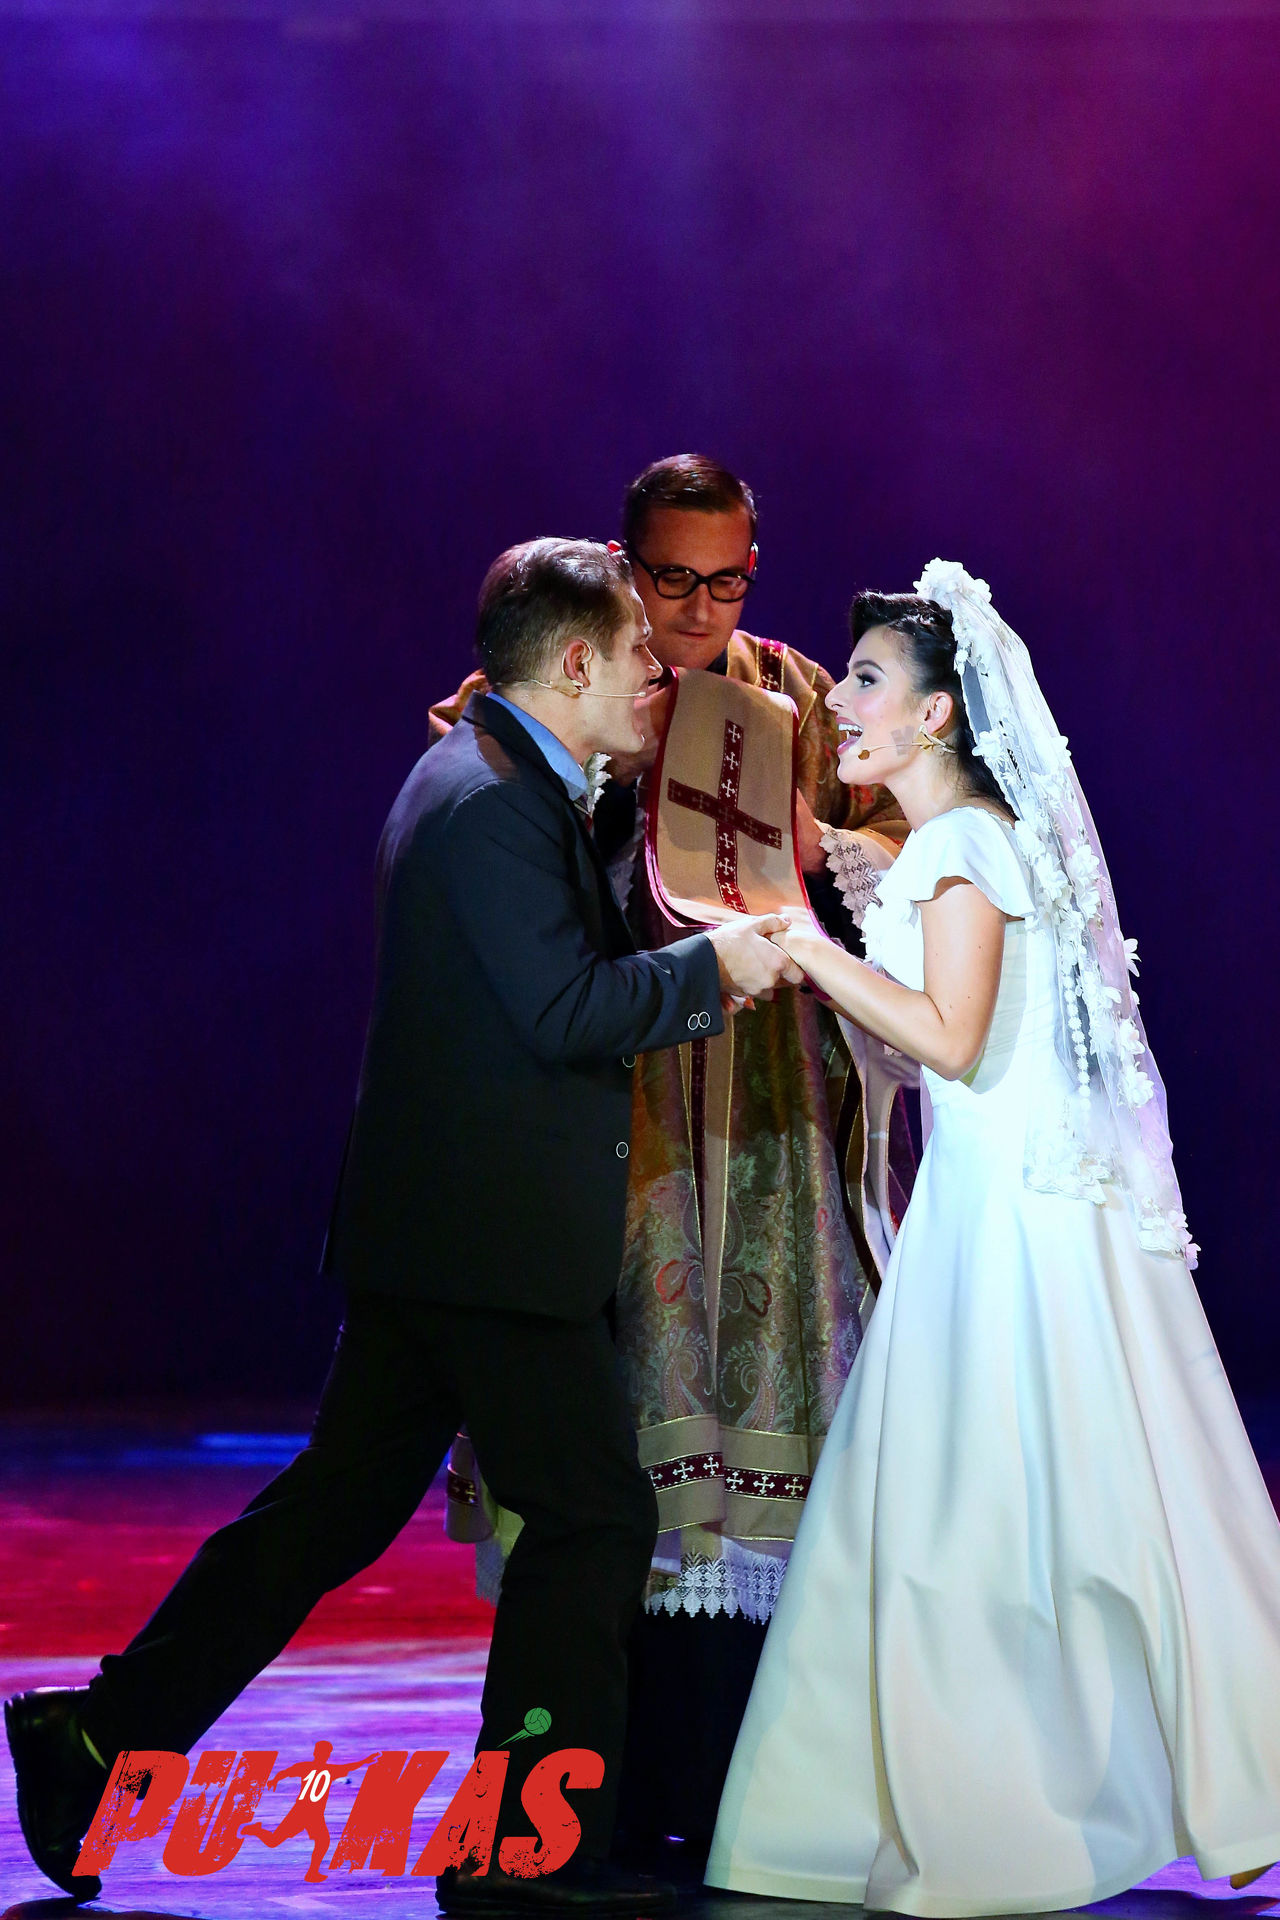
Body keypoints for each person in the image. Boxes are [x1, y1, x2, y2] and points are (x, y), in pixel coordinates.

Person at [4, 538, 801, 1914]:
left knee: (333, 1510)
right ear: (573, 663)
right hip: (487, 1247)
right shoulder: (487, 799)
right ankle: (521, 1850)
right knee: (593, 1519)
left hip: (443, 1235)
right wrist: (710, 967)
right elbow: (563, 1010)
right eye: (632, 655)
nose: (652, 679)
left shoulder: (503, 778)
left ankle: (94, 1740)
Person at [705, 562, 1280, 1915]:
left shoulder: (964, 847)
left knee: (997, 1515)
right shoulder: (951, 846)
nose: (840, 703)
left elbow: (951, 1043)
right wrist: (837, 902)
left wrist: (802, 945)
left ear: (938, 716)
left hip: (1018, 1224)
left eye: (867, 681)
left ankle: (1007, 1810)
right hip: (989, 1203)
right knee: (1030, 1511)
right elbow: (918, 1040)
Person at [431, 456, 908, 1861]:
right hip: (618, 1113)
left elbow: (901, 846)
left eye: (727, 581)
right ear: (626, 568)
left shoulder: (804, 701)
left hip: (770, 1118)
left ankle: (739, 1780)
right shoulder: (580, 689)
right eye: (671, 581)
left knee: (759, 1410)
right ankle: (585, 1790)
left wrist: (831, 847)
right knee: (612, 1444)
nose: (698, 612)